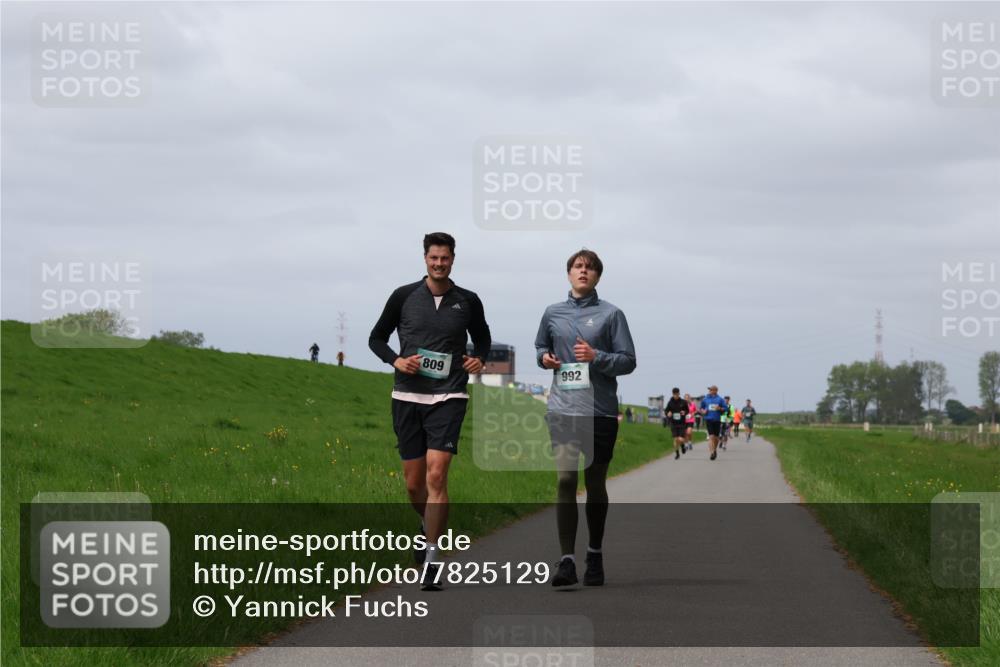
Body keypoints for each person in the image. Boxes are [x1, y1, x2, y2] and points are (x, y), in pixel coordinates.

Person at [368, 232, 491, 590]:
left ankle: (433, 560)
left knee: (437, 477)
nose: (440, 263)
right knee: (413, 485)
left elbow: (482, 337)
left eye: (446, 258)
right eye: (434, 258)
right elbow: (376, 337)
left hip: (449, 396)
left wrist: (478, 358)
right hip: (407, 396)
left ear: (454, 259)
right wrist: (397, 360)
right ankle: (426, 527)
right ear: (425, 258)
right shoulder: (403, 296)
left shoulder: (467, 300)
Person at [535, 249, 636, 587]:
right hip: (562, 408)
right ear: (568, 273)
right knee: (565, 480)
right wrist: (545, 358)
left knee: (594, 485)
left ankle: (594, 551)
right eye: (578, 266)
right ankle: (566, 560)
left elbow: (628, 361)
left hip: (600, 410)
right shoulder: (553, 312)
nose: (583, 271)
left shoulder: (612, 314)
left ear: (597, 277)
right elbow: (539, 348)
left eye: (590, 268)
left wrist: (597, 357)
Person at [699, 385, 727, 460]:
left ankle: (714, 450)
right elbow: (701, 408)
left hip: (717, 420)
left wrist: (720, 408)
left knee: (716, 438)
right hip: (708, 419)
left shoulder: (720, 399)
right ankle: (711, 453)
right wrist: (703, 411)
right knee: (711, 436)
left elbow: (725, 408)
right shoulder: (705, 399)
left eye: (712, 390)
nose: (710, 391)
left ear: (716, 390)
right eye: (710, 390)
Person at [665, 388, 689, 460]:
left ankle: (682, 445)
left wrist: (684, 412)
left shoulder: (683, 402)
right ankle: (677, 453)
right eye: (674, 394)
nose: (676, 395)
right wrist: (667, 413)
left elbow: (687, 410)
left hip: (682, 423)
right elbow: (666, 411)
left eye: (677, 394)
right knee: (675, 439)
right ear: (673, 394)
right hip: (673, 423)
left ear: (679, 393)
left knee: (681, 439)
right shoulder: (670, 402)